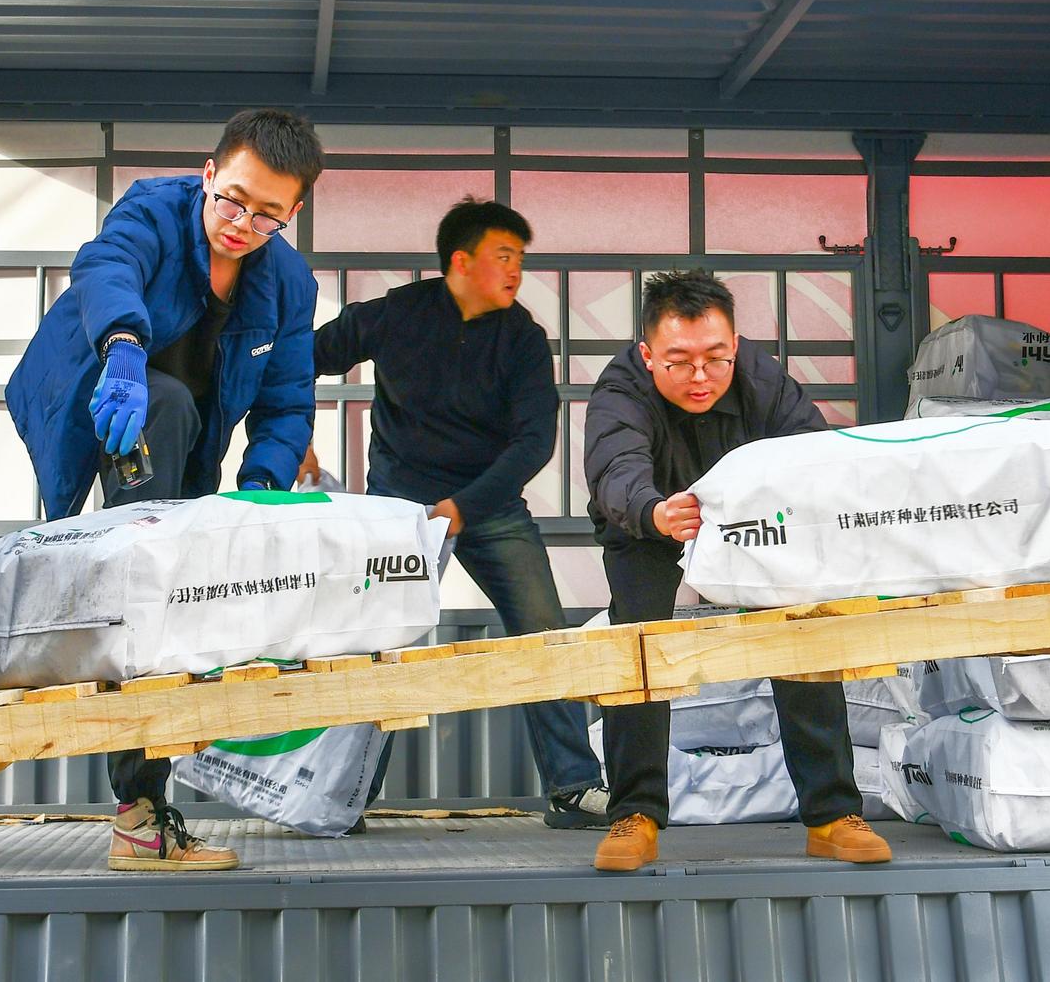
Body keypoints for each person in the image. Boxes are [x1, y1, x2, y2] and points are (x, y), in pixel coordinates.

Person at [5, 108, 325, 871]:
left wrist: (261, 488)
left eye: (268, 214)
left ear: (294, 210)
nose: (243, 224)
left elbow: (286, 404)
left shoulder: (289, 284)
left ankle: (142, 811)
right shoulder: (153, 206)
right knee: (148, 591)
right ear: (208, 174)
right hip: (97, 396)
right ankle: (139, 808)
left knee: (176, 592)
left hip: (185, 443)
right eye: (232, 200)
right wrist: (122, 345)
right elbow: (107, 264)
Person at [304, 198, 610, 829]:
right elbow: (298, 359)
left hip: (488, 504)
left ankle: (573, 787)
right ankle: (342, 795)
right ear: (461, 262)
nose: (516, 270)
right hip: (399, 506)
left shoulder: (522, 338)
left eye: (520, 258)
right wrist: (293, 440)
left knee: (543, 633)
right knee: (378, 646)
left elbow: (535, 442)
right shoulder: (397, 314)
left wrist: (465, 507)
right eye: (504, 256)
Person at [583, 270, 893, 871]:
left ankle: (831, 815)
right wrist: (652, 511)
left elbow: (815, 457)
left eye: (715, 359)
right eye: (679, 362)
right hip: (652, 518)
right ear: (647, 355)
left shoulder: (763, 379)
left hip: (754, 518)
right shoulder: (620, 390)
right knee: (639, 646)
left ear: (735, 344)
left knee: (800, 630)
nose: (700, 377)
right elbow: (615, 466)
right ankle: (635, 814)